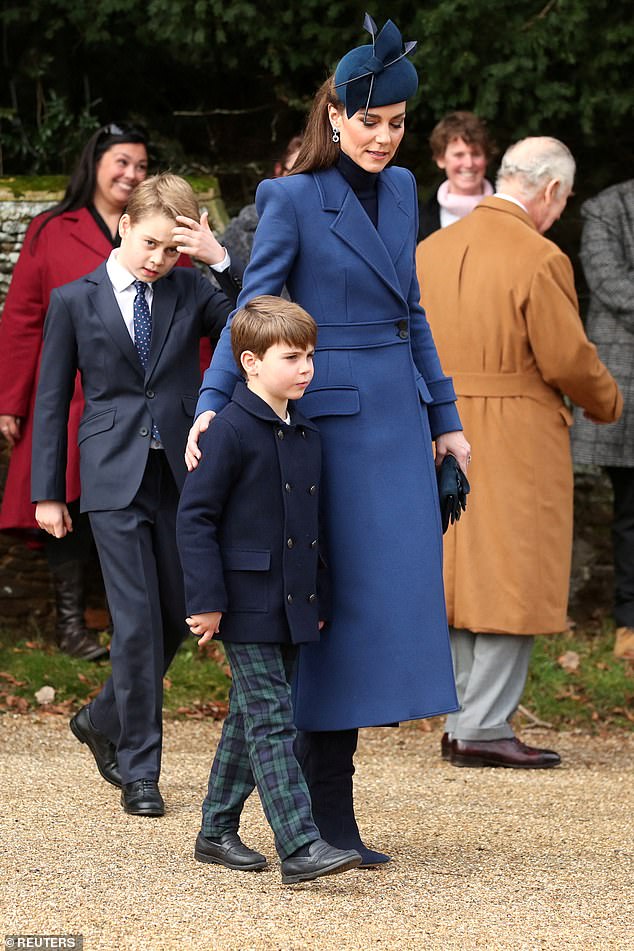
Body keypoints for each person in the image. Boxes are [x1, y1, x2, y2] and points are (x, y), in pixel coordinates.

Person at [185, 14, 470, 865]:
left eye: (397, 123)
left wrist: (446, 419)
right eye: (370, 122)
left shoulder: (408, 188)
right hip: (325, 436)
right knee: (327, 617)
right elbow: (252, 309)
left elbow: (413, 309)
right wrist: (212, 397)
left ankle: (294, 810)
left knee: (381, 611)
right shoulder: (291, 198)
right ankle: (320, 814)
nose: (384, 138)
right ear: (335, 118)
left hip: (399, 427)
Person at [31, 174, 241, 817]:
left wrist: (219, 260)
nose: (158, 260)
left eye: (171, 250)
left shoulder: (190, 287)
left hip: (183, 472)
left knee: (179, 612)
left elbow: (252, 323)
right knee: (136, 624)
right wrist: (48, 492)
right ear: (124, 225)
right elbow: (48, 400)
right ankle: (141, 770)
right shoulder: (74, 300)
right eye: (151, 243)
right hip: (111, 478)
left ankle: (101, 716)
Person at [416, 137, 623, 768]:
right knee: (513, 567)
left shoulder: (430, 248)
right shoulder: (539, 256)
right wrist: (606, 399)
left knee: (458, 569)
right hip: (513, 427)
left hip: (439, 422)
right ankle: (483, 724)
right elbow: (565, 357)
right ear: (552, 191)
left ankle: (460, 718)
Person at [176, 296, 362, 884]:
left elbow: (312, 532)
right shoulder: (226, 430)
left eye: (310, 355)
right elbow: (195, 518)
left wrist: (319, 601)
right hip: (242, 603)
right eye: (292, 357)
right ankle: (301, 844)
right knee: (274, 719)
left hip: (292, 604)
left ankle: (214, 830)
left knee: (249, 716)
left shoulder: (306, 432)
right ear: (250, 363)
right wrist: (205, 601)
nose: (306, 367)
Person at [0, 123, 149, 659]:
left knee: (122, 504)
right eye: (122, 162)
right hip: (66, 397)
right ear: (97, 163)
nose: (131, 174)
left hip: (132, 399)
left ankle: (124, 625)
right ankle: (70, 626)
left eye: (141, 166)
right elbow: (21, 318)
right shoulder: (51, 230)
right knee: (61, 502)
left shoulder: (148, 233)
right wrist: (10, 402)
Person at [571, 180, 634, 660]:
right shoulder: (606, 209)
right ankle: (628, 625)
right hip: (626, 382)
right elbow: (611, 285)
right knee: (629, 514)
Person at [220, 135, 304, 264]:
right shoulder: (243, 228)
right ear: (279, 170)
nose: (301, 181)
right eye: (295, 172)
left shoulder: (329, 228)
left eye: (310, 174)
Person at [418, 111, 496, 241]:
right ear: (441, 159)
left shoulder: (509, 211)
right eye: (459, 155)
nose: (469, 163)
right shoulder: (420, 221)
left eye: (476, 154)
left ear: (486, 158)